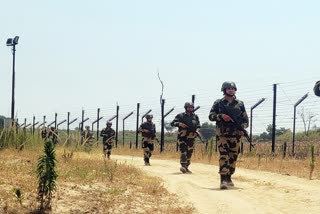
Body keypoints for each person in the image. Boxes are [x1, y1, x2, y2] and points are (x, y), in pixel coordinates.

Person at [208, 81, 249, 189]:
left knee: (233, 157)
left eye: (233, 88)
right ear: (224, 90)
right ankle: (223, 179)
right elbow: (211, 116)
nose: (231, 90)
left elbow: (245, 120)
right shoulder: (218, 103)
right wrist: (221, 116)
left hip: (236, 135)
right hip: (222, 134)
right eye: (228, 88)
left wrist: (242, 129)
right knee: (223, 155)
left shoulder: (240, 104)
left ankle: (229, 176)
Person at [171, 102, 201, 174]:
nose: (190, 108)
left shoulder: (195, 117)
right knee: (183, 151)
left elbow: (198, 126)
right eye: (189, 107)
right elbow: (173, 123)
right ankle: (183, 165)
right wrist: (180, 124)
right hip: (182, 136)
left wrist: (197, 131)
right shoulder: (180, 116)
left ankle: (186, 166)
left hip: (191, 136)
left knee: (189, 152)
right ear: (186, 108)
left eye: (191, 107)